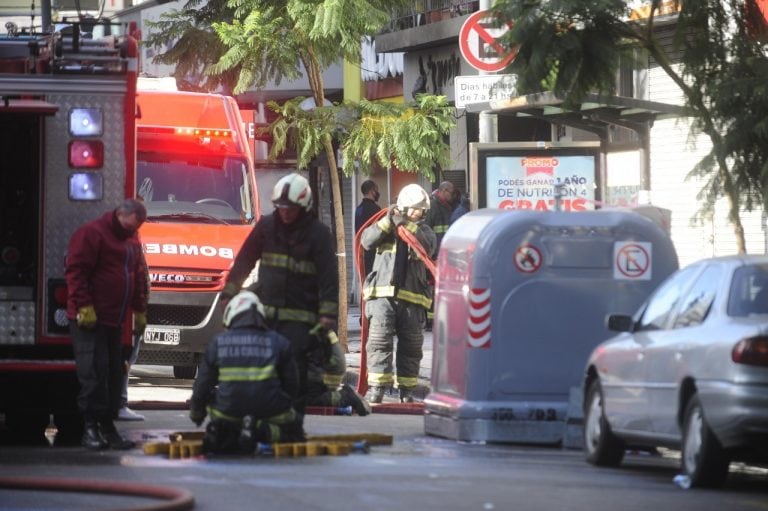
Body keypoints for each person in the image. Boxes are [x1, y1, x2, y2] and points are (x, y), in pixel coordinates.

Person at [220, 173, 341, 418]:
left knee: (292, 370)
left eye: (291, 208)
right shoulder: (266, 227)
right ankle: (263, 418)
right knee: (262, 366)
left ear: (303, 206)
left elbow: (329, 277)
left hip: (300, 319)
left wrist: (328, 314)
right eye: (281, 207)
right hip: (266, 315)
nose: (285, 212)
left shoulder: (318, 234)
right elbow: (244, 260)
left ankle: (289, 423)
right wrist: (229, 292)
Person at [65, 199, 149, 450]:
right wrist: (84, 306)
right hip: (91, 319)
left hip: (115, 319)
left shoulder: (131, 238)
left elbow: (137, 273)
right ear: (120, 215)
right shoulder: (92, 234)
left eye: (135, 228)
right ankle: (90, 429)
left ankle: (107, 427)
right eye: (130, 226)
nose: (132, 232)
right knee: (94, 372)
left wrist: (140, 309)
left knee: (114, 373)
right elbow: (76, 271)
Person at [189, 291, 304, 453]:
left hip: (228, 412)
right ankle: (263, 431)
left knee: (219, 425)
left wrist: (197, 414)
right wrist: (281, 403)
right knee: (294, 429)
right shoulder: (279, 342)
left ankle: (229, 432)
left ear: (232, 315)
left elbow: (202, 386)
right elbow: (292, 386)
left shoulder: (218, 343)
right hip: (270, 412)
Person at [361, 184, 436, 403]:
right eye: (414, 209)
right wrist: (387, 223)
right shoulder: (384, 227)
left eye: (421, 210)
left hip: (412, 299)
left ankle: (407, 392)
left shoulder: (425, 231)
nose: (418, 213)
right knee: (379, 343)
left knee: (411, 348)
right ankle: (377, 389)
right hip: (382, 297)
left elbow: (428, 246)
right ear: (403, 207)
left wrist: (408, 226)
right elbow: (366, 241)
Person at [354, 179, 382, 279]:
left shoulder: (358, 209)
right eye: (376, 190)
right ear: (371, 191)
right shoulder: (375, 209)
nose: (377, 193)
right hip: (373, 252)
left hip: (361, 251)